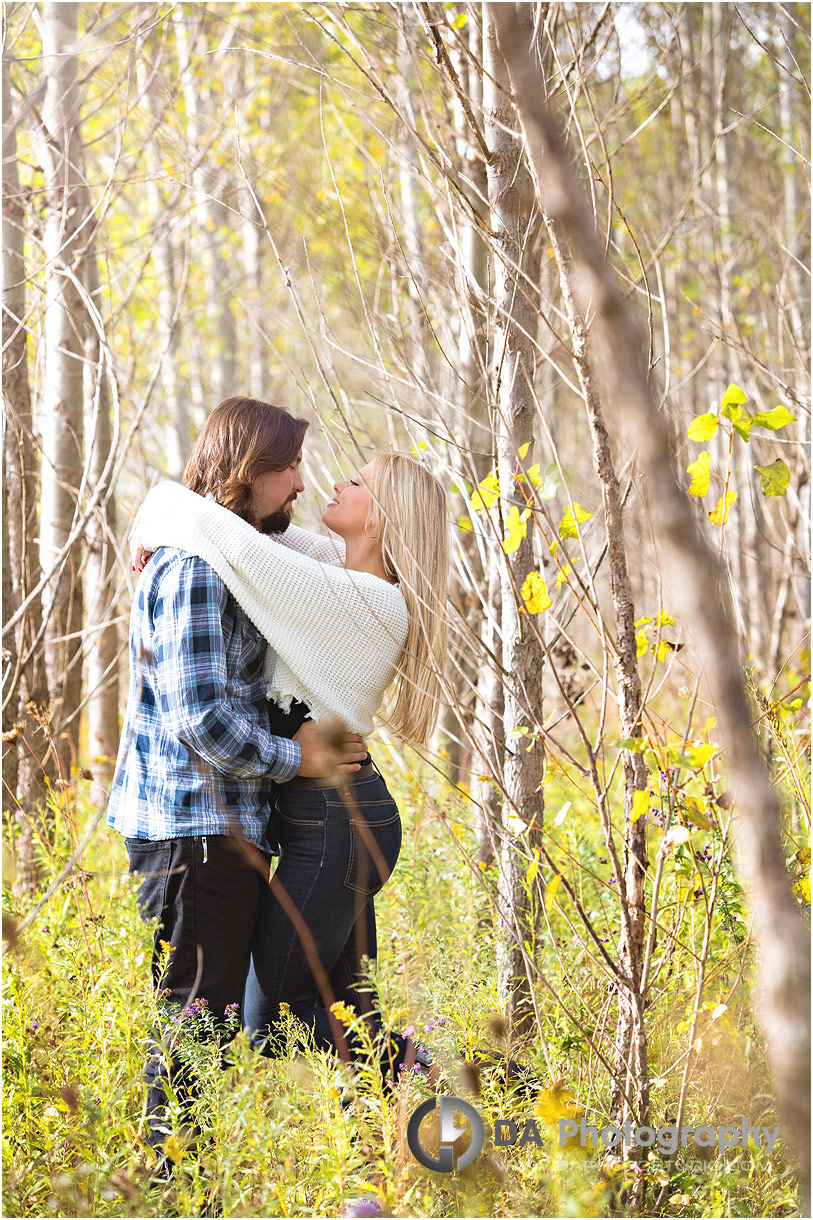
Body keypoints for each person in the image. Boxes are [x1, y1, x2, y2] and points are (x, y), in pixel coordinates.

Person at [130, 449, 450, 1086]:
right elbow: (234, 527)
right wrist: (158, 515)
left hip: (337, 828)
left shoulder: (368, 601)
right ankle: (466, 1108)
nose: (336, 480)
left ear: (385, 518)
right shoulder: (332, 569)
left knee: (274, 1020)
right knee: (350, 1017)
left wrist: (154, 518)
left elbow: (237, 547)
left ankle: (490, 1095)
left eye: (357, 482)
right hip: (333, 819)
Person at [107, 397, 369, 1167]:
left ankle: (188, 1188)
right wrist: (302, 759)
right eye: (286, 467)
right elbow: (200, 722)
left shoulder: (228, 555)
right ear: (247, 472)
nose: (298, 482)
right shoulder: (193, 570)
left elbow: (320, 569)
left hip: (218, 834)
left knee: (209, 1032)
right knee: (193, 1035)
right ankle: (173, 1194)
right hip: (194, 836)